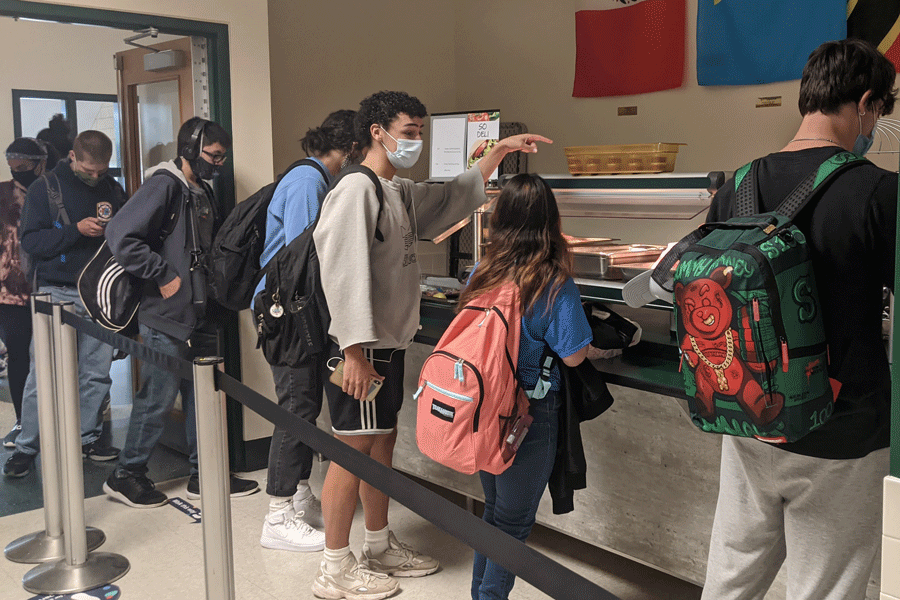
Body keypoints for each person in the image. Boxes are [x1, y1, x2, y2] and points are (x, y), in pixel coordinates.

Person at [311, 90, 551, 600]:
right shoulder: (356, 189)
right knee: (350, 451)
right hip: (362, 348)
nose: (416, 140)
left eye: (420, 131)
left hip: (388, 344)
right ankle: (334, 566)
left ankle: (377, 544)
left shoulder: (394, 190)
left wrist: (500, 151)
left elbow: (450, 196)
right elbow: (340, 269)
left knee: (380, 445)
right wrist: (352, 351)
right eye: (410, 131)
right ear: (377, 131)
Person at [699, 39, 896, 600]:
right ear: (864, 104)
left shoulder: (735, 186)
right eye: (879, 111)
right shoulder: (877, 191)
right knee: (826, 588)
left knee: (731, 578)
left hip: (747, 416)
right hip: (842, 429)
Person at [103, 117, 258, 507]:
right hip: (167, 315)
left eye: (223, 158)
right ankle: (126, 474)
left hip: (201, 314)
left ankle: (204, 474)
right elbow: (121, 234)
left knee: (202, 397)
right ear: (191, 149)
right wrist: (163, 275)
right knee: (157, 397)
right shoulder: (164, 185)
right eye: (214, 156)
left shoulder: (200, 189)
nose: (219, 165)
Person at [461, 174, 592, 600]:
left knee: (496, 514)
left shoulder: (481, 272)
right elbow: (573, 354)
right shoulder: (552, 281)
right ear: (550, 222)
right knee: (513, 524)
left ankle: (481, 595)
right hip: (529, 417)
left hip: (483, 408)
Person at [257, 110, 357, 552]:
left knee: (305, 405)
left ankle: (297, 496)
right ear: (353, 147)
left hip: (298, 314)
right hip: (289, 316)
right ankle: (277, 515)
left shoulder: (316, 178)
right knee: (295, 408)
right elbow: (304, 257)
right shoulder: (307, 182)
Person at [3, 131, 124, 477]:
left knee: (96, 375)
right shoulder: (47, 187)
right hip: (57, 293)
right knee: (43, 376)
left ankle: (86, 438)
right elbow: (31, 241)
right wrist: (75, 231)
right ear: (72, 156)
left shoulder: (112, 189)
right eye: (89, 169)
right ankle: (27, 446)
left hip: (101, 294)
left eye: (101, 171)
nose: (95, 177)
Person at [1, 138, 50, 448]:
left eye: (25, 166)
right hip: (9, 293)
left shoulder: (51, 191)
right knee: (19, 358)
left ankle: (54, 417)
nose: (19, 172)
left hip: (49, 288)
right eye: (13, 166)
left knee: (53, 358)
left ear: (40, 163)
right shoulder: (2, 194)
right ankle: (23, 421)